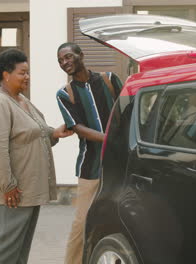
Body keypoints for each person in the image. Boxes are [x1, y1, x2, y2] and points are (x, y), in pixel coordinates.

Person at [0, 48, 73, 264]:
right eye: (22, 73)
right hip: (12, 192)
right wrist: (7, 185)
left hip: (26, 190)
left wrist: (54, 133)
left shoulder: (21, 100)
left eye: (28, 72)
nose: (27, 77)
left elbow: (33, 132)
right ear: (5, 74)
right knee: (3, 248)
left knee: (19, 249)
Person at [55, 42, 123, 264]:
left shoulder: (109, 80)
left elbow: (127, 109)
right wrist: (108, 139)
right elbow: (76, 127)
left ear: (80, 55)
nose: (65, 63)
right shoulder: (65, 94)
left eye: (67, 57)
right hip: (90, 166)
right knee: (82, 221)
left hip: (120, 163)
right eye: (60, 61)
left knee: (120, 216)